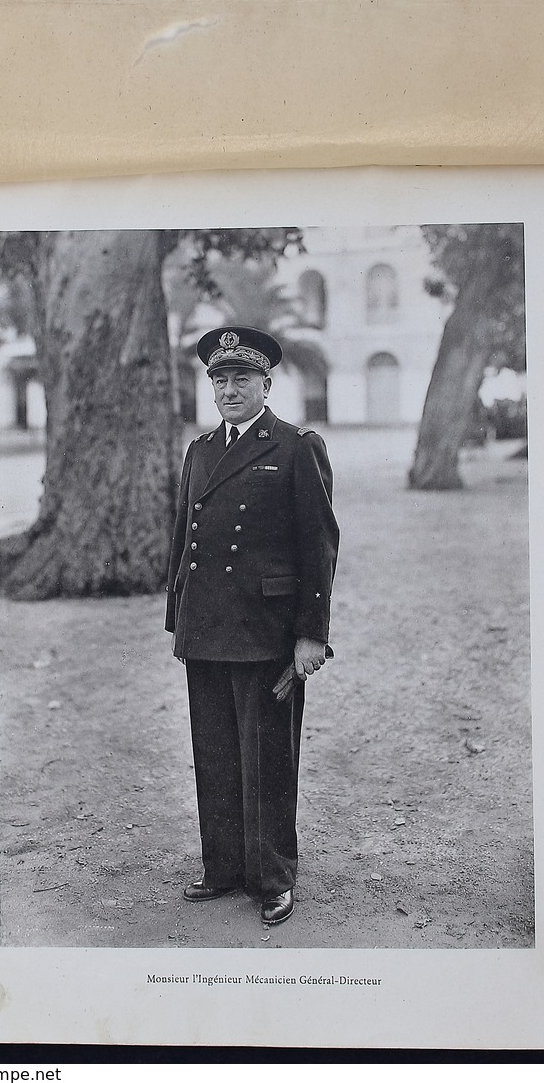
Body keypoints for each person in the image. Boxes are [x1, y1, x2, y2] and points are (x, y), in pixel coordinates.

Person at [165, 326, 339, 925]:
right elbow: (183, 543)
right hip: (207, 628)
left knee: (266, 757)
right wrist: (178, 620)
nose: (230, 388)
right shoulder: (200, 450)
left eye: (243, 378)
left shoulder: (295, 446)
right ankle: (225, 868)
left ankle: (272, 876)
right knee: (213, 752)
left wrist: (311, 634)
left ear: (267, 383)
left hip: (265, 630)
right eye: (220, 378)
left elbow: (318, 545)